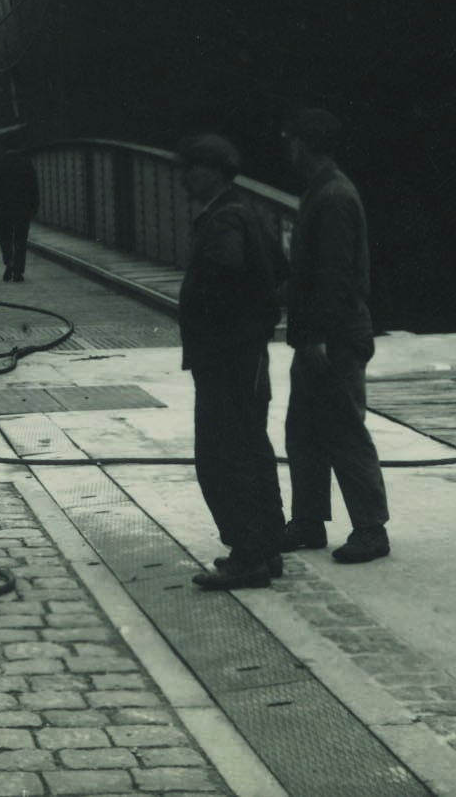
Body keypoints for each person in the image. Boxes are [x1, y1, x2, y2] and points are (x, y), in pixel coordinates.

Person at [172, 134, 289, 591]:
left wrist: (212, 326)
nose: (184, 177)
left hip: (225, 356)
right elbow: (279, 267)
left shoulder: (223, 220)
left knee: (222, 454)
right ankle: (267, 546)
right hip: (247, 354)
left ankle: (248, 556)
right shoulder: (246, 211)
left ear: (215, 171)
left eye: (193, 168)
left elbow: (223, 277)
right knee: (252, 446)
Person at [278, 109, 390, 565]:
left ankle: (371, 528)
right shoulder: (322, 191)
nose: (288, 149)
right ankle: (308, 520)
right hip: (316, 336)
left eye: (291, 141)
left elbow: (336, 275)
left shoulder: (334, 197)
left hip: (334, 337)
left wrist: (319, 335)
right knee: (303, 430)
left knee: (344, 429)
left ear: (305, 144)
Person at [0, 148, 39, 284]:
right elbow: (34, 187)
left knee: (5, 237)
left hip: (3, 209)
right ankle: (18, 271)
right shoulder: (27, 164)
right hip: (23, 209)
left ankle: (9, 261)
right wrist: (35, 206)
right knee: (20, 239)